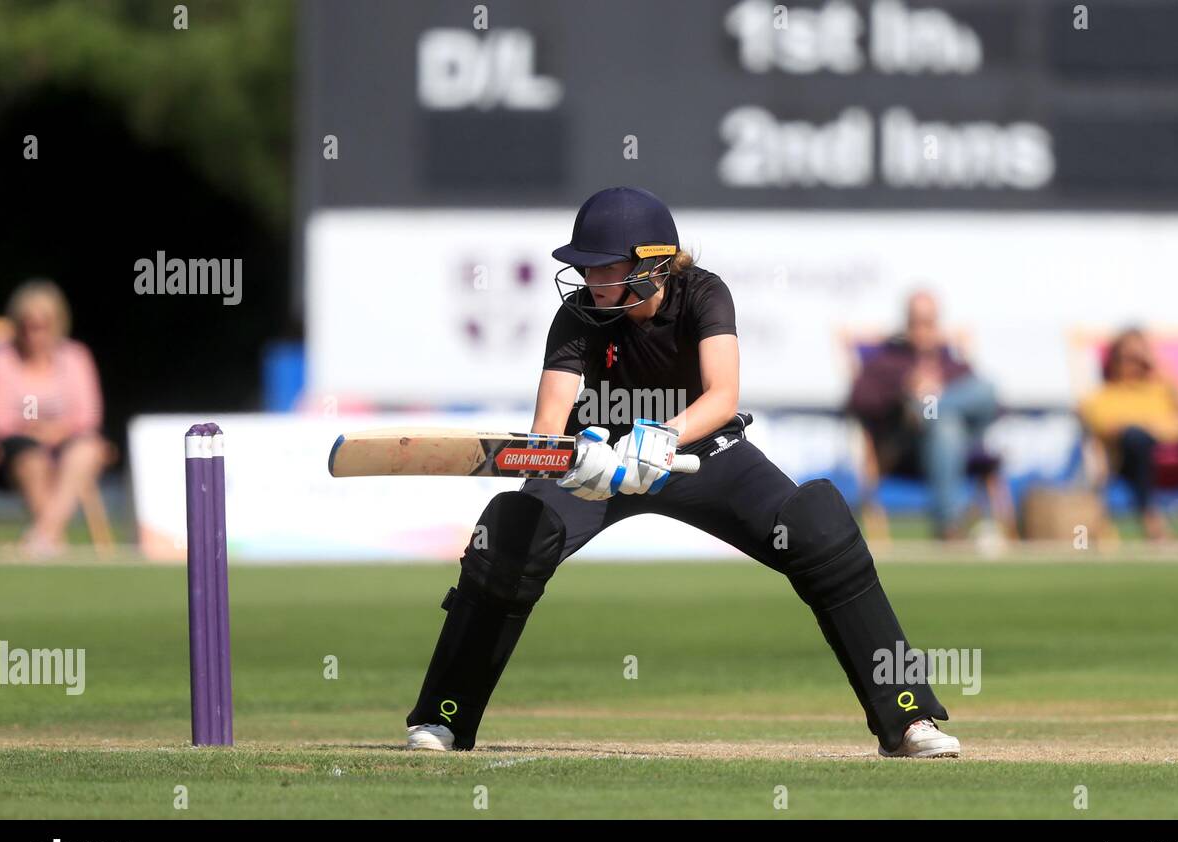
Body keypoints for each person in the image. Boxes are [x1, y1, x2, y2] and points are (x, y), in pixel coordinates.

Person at [404, 187, 959, 758]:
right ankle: (444, 719)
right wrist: (578, 460)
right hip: (597, 466)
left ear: (653, 266)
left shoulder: (703, 293)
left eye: (606, 268)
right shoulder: (576, 316)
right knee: (511, 540)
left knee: (818, 527)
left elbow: (722, 396)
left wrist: (660, 440)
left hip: (702, 456)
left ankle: (910, 717)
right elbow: (548, 428)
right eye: (585, 269)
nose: (591, 282)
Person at [848, 291, 1001, 539]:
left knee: (983, 392)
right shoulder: (887, 360)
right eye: (915, 322)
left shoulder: (952, 364)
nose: (922, 329)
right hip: (906, 447)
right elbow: (858, 399)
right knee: (945, 427)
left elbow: (992, 405)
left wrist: (937, 395)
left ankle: (925, 410)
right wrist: (904, 388)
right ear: (906, 323)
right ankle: (949, 524)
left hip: (961, 445)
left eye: (928, 322)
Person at [1078, 327, 1178, 546]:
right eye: (1130, 357)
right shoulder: (1105, 395)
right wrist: (1167, 427)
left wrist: (1164, 374)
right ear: (1115, 360)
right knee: (1136, 437)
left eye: (1142, 357)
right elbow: (1109, 428)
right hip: (1133, 460)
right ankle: (1153, 525)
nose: (1137, 364)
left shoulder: (1164, 388)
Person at [0, 279, 108, 553]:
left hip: (66, 443)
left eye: (42, 326)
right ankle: (51, 538)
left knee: (88, 450)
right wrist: (32, 430)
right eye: (28, 326)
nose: (34, 334)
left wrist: (56, 431)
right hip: (14, 451)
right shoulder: (3, 360)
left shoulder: (75, 358)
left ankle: (44, 535)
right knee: (30, 457)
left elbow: (88, 415)